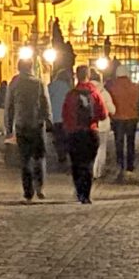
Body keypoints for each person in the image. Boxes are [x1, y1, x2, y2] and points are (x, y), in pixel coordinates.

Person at [5, 58, 52, 202]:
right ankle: (40, 187)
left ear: (19, 68)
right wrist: (48, 120)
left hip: (21, 125)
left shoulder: (14, 83)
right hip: (37, 125)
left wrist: (8, 127)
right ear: (31, 67)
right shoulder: (38, 83)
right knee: (39, 157)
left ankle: (28, 192)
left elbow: (9, 106)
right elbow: (45, 102)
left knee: (25, 159)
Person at [61, 65, 109, 204]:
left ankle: (79, 192)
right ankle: (86, 194)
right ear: (89, 76)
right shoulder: (95, 93)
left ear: (76, 76)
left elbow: (65, 115)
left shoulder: (71, 95)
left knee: (76, 164)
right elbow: (103, 114)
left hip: (75, 133)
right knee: (88, 164)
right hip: (91, 132)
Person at [108, 64, 139, 183]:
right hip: (132, 117)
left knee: (119, 143)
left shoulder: (112, 88)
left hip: (118, 117)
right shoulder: (135, 87)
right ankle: (130, 166)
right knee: (130, 142)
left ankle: (120, 164)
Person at [90, 70, 115, 180]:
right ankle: (98, 172)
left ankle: (89, 170)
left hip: (88, 125)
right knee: (101, 148)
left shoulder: (83, 91)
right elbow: (112, 110)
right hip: (103, 124)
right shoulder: (104, 93)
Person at [47, 69, 72, 170]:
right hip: (65, 117)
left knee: (57, 137)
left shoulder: (51, 86)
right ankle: (64, 154)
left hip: (54, 117)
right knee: (65, 137)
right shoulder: (68, 88)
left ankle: (61, 155)